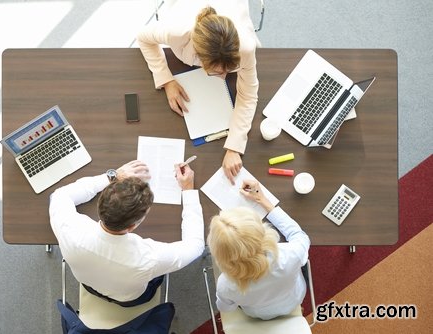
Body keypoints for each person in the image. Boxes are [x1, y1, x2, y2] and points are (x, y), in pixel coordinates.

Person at [49, 160, 205, 306]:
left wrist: (112, 177)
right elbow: (195, 246)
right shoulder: (148, 258)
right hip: (129, 299)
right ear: (132, 226)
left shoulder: (70, 229)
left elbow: (59, 196)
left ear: (100, 204)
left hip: (88, 283)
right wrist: (188, 190)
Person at [137, 0, 260, 184]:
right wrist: (166, 79)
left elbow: (248, 95)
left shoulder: (245, 47)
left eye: (230, 70)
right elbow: (143, 37)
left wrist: (234, 147)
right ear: (199, 57)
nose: (224, 77)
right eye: (217, 72)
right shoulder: (177, 32)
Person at [206, 179, 311, 320]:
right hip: (294, 299)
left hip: (261, 314)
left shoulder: (226, 285)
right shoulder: (289, 254)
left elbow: (225, 307)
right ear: (262, 232)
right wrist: (263, 201)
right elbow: (299, 236)